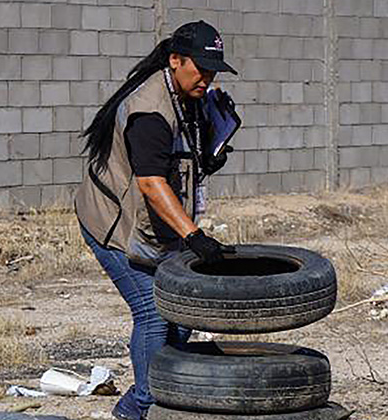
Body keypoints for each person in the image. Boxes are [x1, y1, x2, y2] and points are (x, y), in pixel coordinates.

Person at [74, 21, 238, 420]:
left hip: (155, 227)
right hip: (113, 224)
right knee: (153, 312)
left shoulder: (188, 97)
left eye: (212, 68)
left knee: (181, 313)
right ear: (175, 60)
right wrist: (194, 236)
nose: (207, 76)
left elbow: (178, 160)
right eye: (199, 66)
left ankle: (153, 393)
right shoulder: (149, 108)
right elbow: (150, 182)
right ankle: (143, 407)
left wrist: (211, 152)